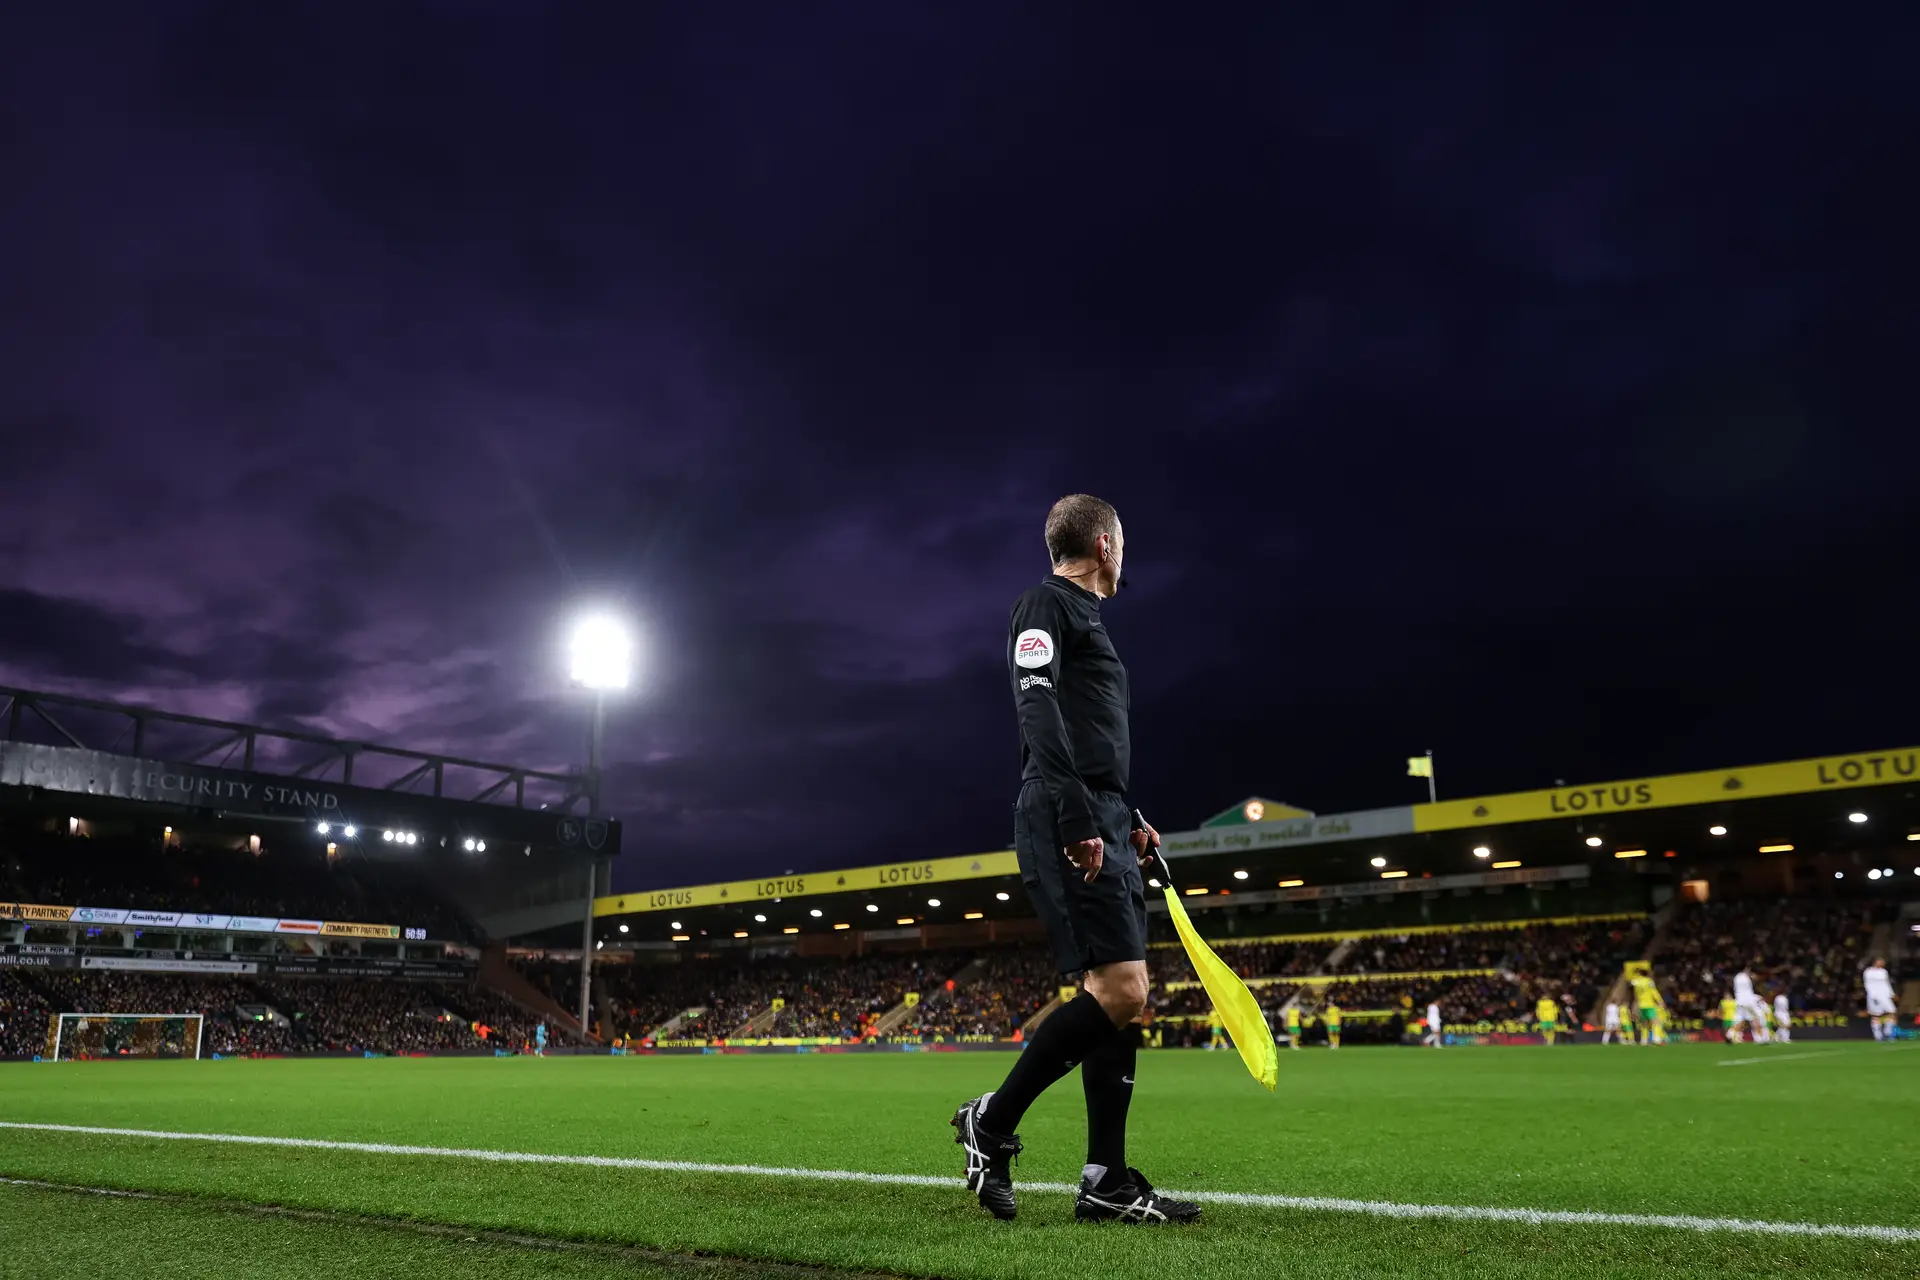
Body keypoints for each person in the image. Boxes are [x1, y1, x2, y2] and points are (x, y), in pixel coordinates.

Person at [951, 495, 1199, 1226]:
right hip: (1068, 813)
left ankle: (1105, 1179)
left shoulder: (1089, 623)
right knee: (1120, 991)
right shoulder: (1044, 604)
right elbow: (1038, 711)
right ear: (1103, 543)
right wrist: (1080, 814)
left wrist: (1129, 814)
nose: (1128, 555)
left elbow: (1089, 734)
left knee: (1126, 996)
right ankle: (990, 1124)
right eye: (1124, 542)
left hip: (1103, 813)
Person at [1733, 967, 1769, 1044]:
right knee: (1755, 1019)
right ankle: (1760, 1039)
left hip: (1739, 1001)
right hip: (1748, 1002)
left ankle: (1730, 1035)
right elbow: (1754, 979)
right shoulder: (1746, 978)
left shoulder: (1737, 978)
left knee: (1741, 1021)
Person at [1864, 958, 1896, 1041]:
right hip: (1874, 996)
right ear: (1875, 962)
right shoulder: (1868, 972)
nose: (1882, 962)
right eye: (1880, 961)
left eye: (1883, 961)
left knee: (1892, 1012)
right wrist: (1872, 995)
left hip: (1885, 996)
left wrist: (1891, 994)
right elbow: (1867, 984)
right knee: (1876, 1015)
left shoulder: (1884, 972)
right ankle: (1878, 1035)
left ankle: (1888, 1032)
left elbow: (1887, 983)